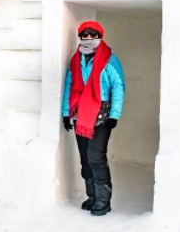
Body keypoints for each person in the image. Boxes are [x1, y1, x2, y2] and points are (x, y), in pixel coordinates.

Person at [61, 20, 125, 217]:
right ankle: (92, 197)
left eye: (93, 34)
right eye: (85, 34)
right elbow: (70, 87)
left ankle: (103, 201)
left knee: (96, 157)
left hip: (101, 114)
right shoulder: (75, 60)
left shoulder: (109, 59)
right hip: (80, 114)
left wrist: (114, 115)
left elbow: (118, 86)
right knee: (85, 158)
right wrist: (66, 113)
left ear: (100, 37)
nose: (89, 38)